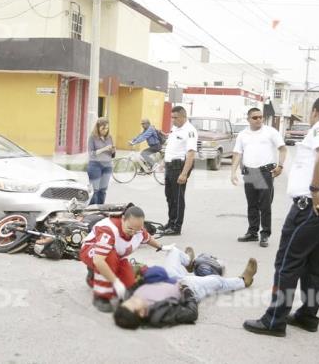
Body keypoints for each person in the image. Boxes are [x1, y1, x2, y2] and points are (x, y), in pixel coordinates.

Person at [243, 95, 319, 337]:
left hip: (311, 206)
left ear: (315, 112)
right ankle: (308, 316)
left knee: (287, 263)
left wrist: (314, 189)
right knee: (315, 265)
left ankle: (274, 320)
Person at [113, 247, 257, 329]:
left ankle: (188, 262)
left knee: (173, 251)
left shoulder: (132, 296)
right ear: (143, 313)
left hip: (170, 277)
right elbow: (191, 313)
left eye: (128, 301)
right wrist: (187, 291)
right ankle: (244, 280)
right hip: (187, 285)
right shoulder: (159, 314)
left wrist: (144, 275)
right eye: (132, 303)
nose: (131, 299)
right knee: (216, 281)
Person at [79, 206, 173, 312]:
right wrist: (115, 281)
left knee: (128, 283)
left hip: (116, 255)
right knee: (108, 260)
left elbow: (147, 238)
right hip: (92, 252)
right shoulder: (109, 230)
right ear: (123, 219)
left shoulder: (137, 229)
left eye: (136, 230)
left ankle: (94, 277)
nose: (133, 233)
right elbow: (99, 260)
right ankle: (101, 297)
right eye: (130, 229)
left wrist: (161, 247)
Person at [232, 108, 288, 248]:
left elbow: (282, 148)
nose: (258, 120)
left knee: (264, 205)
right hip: (250, 172)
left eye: (260, 117)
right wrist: (233, 172)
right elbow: (237, 153)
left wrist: (280, 165)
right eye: (255, 117)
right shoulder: (243, 135)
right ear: (248, 119)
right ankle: (252, 232)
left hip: (265, 172)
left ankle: (265, 234)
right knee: (252, 204)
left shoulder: (270, 132)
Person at [163, 106, 198, 235]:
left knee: (178, 198)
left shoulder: (190, 131)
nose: (173, 120)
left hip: (179, 167)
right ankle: (171, 222)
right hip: (170, 166)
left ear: (184, 117)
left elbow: (191, 154)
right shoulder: (175, 128)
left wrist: (184, 173)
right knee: (170, 197)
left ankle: (176, 227)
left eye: (175, 117)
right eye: (171, 117)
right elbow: (171, 147)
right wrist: (164, 163)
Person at [87, 117, 115, 205]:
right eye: (103, 128)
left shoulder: (109, 137)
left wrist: (113, 151)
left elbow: (112, 155)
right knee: (95, 190)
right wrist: (104, 149)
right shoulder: (92, 137)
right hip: (95, 165)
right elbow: (91, 153)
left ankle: (100, 210)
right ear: (98, 127)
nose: (105, 130)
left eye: (107, 128)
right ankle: (92, 210)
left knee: (103, 190)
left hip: (107, 165)